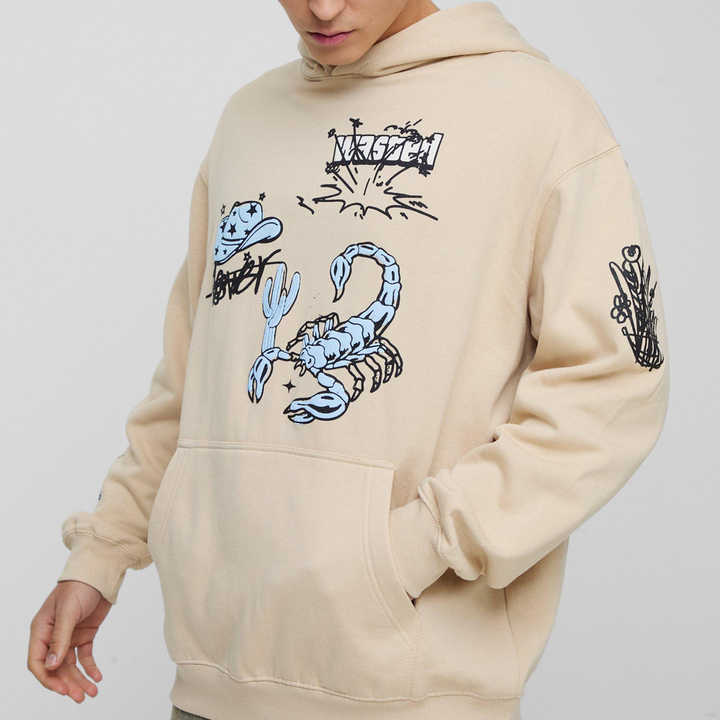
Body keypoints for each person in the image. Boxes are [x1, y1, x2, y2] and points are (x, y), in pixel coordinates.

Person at [27, 2, 670, 719]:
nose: (324, 7)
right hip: (212, 685)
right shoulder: (248, 120)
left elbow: (614, 386)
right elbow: (189, 376)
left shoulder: (542, 117)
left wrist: (413, 548)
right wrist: (103, 551)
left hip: (408, 694)